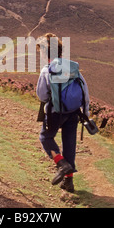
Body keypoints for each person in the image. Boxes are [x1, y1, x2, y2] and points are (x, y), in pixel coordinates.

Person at [36, 33, 90, 193]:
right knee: (69, 144)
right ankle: (69, 182)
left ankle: (61, 163)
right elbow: (84, 90)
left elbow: (41, 95)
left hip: (55, 113)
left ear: (44, 53)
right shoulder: (73, 68)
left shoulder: (47, 70)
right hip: (74, 112)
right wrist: (85, 113)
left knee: (45, 137)